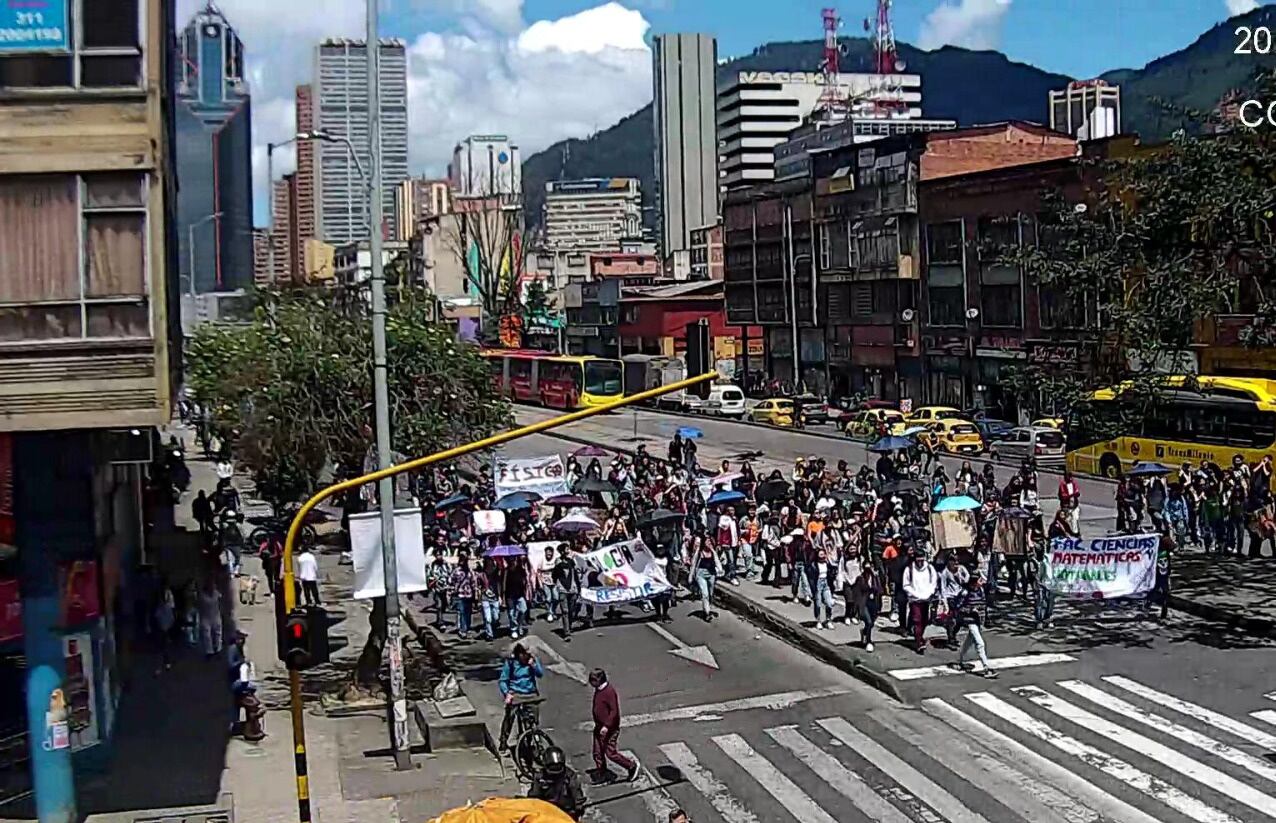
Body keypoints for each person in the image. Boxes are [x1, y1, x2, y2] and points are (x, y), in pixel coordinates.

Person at [588, 667, 639, 784]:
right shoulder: (599, 690)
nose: (590, 683)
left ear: (599, 680)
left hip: (610, 729)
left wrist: (606, 726)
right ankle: (602, 773)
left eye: (593, 680)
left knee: (610, 753)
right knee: (597, 753)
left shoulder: (609, 692)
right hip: (599, 727)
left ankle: (631, 766)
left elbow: (614, 711)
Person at [497, 643, 544, 752]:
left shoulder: (531, 660)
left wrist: (534, 665)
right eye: (524, 654)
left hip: (530, 693)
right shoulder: (511, 663)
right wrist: (507, 694)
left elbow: (540, 674)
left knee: (533, 719)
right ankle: (503, 741)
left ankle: (532, 739)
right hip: (516, 693)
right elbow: (503, 680)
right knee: (510, 716)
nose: (526, 657)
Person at [950, 571, 997, 678]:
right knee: (980, 643)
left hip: (978, 621)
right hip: (970, 620)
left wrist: (983, 617)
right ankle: (987, 668)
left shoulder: (981, 591)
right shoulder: (965, 593)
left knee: (968, 642)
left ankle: (960, 661)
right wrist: (970, 610)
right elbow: (958, 607)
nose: (982, 582)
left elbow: (983, 605)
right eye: (980, 580)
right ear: (974, 582)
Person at [528, 747, 586, 820]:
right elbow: (534, 795)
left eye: (558, 766)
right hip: (547, 811)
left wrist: (578, 807)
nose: (555, 769)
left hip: (566, 811)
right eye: (552, 767)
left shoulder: (569, 775)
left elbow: (576, 792)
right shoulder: (540, 777)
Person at [902, 550, 937, 654]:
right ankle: (919, 643)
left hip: (926, 599)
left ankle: (919, 636)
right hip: (915, 600)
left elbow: (933, 582)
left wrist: (930, 592)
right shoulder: (909, 569)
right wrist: (915, 594)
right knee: (917, 620)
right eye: (918, 559)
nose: (920, 562)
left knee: (925, 620)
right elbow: (906, 585)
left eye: (922, 559)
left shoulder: (930, 568)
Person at [551, 546, 582, 641]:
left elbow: (576, 574)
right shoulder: (558, 562)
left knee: (572, 610)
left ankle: (569, 625)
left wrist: (578, 587)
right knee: (565, 611)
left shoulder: (571, 562)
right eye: (566, 549)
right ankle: (566, 632)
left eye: (569, 549)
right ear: (562, 551)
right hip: (562, 589)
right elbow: (555, 574)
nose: (568, 551)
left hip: (573, 589)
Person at [688, 535, 721, 621]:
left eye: (710, 541)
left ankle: (708, 606)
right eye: (707, 541)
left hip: (711, 574)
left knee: (710, 593)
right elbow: (693, 564)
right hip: (701, 574)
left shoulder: (713, 552)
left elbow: (717, 561)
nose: (709, 543)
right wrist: (691, 576)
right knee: (704, 593)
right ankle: (707, 612)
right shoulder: (699, 552)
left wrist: (712, 550)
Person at [806, 548, 837, 630]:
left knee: (829, 603)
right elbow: (811, 579)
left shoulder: (827, 564)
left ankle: (828, 620)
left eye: (824, 554)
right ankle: (818, 620)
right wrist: (812, 590)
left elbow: (832, 573)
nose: (823, 556)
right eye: (821, 555)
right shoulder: (813, 565)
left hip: (826, 584)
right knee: (818, 604)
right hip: (818, 584)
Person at [449, 555, 477, 638]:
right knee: (462, 612)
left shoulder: (470, 571)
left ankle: (467, 627)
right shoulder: (456, 571)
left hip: (469, 594)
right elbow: (450, 580)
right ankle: (462, 630)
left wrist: (475, 594)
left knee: (468, 612)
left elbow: (474, 582)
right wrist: (454, 588)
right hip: (460, 594)